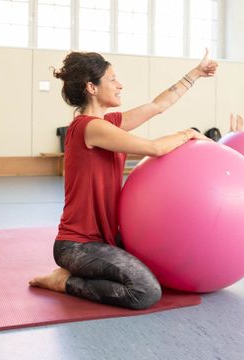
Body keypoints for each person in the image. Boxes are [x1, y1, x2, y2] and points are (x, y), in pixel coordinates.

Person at [28, 49, 218, 309]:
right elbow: (154, 148)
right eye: (113, 79)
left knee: (160, 260)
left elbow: (158, 105)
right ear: (92, 88)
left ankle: (79, 274)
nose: (120, 85)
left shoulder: (108, 123)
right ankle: (63, 282)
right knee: (145, 292)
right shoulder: (89, 127)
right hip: (78, 246)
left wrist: (196, 73)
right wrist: (189, 133)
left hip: (107, 238)